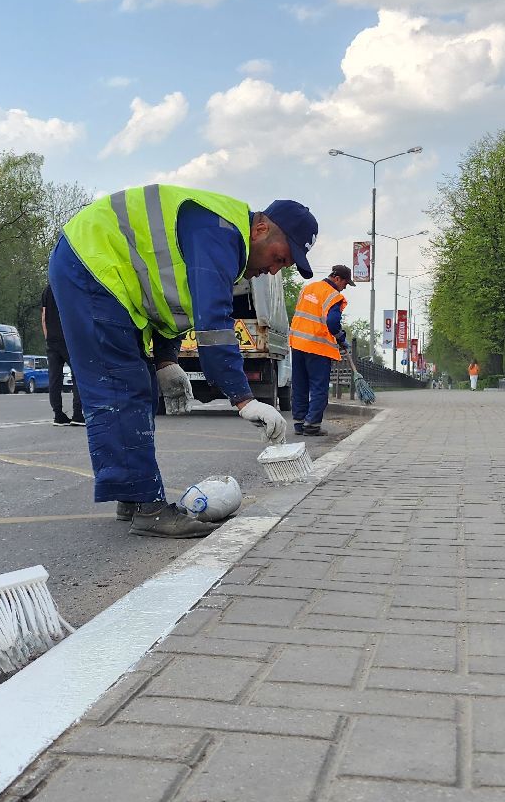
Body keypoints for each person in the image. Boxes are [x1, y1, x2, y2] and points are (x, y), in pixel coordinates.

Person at [49, 184, 316, 538]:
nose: (274, 270)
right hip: (91, 263)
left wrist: (165, 360)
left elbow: (173, 304)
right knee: (120, 385)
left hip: (101, 270)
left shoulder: (224, 239)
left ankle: (133, 496)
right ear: (261, 229)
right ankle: (148, 509)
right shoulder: (220, 231)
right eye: (280, 258)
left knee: (137, 385)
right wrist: (244, 399)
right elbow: (213, 324)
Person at [288, 264, 350, 436]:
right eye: (345, 283)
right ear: (337, 278)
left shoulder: (308, 288)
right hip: (317, 346)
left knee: (300, 384)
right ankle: (312, 425)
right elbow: (332, 323)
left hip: (298, 343)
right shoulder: (333, 296)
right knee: (318, 387)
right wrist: (340, 337)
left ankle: (299, 423)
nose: (345, 287)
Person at [39, 281, 84, 426]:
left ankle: (58, 415)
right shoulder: (71, 286)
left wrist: (48, 337)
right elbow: (77, 312)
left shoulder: (48, 290)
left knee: (54, 378)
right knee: (78, 375)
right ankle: (77, 414)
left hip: (52, 340)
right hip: (69, 339)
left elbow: (44, 316)